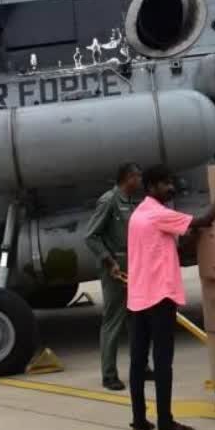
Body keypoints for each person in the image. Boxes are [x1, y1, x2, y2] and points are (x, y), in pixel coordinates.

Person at [126, 163, 215, 430]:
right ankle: (165, 424)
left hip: (138, 299)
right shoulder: (158, 213)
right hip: (159, 298)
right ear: (151, 188)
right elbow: (207, 219)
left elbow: (169, 249)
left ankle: (139, 421)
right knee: (163, 363)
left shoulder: (138, 215)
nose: (171, 187)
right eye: (165, 183)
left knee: (138, 363)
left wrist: (190, 239)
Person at [84, 162, 152, 391]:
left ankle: (141, 367)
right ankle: (109, 374)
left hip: (136, 268)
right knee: (113, 320)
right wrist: (109, 261)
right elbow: (91, 236)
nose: (140, 181)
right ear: (128, 178)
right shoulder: (109, 201)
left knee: (139, 320)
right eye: (138, 177)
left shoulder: (134, 201)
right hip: (116, 270)